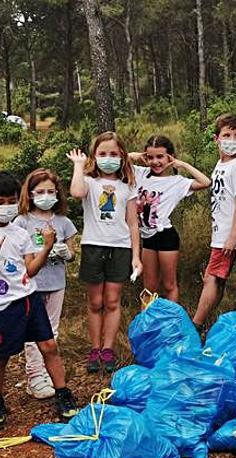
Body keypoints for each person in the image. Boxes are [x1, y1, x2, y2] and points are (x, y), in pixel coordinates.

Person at [0, 172, 79, 429]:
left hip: (29, 299)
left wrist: (47, 248)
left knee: (49, 346)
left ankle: (63, 394)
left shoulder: (19, 233)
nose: (6, 206)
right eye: (0, 201)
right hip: (1, 306)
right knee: (0, 356)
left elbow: (30, 270)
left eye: (11, 200)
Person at [68, 133, 142, 373]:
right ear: (94, 156)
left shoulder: (127, 186)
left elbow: (132, 223)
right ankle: (95, 347)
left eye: (113, 154)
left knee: (112, 301)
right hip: (93, 245)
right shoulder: (89, 182)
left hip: (120, 247)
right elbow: (77, 192)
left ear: (121, 156)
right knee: (95, 301)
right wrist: (79, 166)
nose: (108, 159)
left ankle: (108, 348)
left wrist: (136, 257)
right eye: (102, 154)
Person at [15, 168, 77, 399]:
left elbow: (72, 252)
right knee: (33, 332)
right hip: (31, 284)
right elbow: (16, 253)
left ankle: (47, 371)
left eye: (51, 191)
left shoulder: (64, 222)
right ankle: (34, 375)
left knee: (52, 331)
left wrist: (66, 253)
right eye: (40, 191)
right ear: (30, 194)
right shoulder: (21, 222)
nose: (46, 196)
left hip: (56, 282)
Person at [129, 135, 211, 301]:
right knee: (149, 287)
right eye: (150, 157)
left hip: (165, 236)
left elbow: (205, 182)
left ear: (170, 156)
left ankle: (170, 323)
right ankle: (147, 321)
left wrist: (182, 164)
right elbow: (123, 159)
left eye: (160, 156)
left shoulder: (177, 182)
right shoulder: (141, 173)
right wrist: (137, 156)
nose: (155, 161)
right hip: (147, 237)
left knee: (169, 285)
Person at [192, 113, 236, 329]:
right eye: (227, 135)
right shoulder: (221, 164)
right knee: (217, 279)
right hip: (220, 233)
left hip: (228, 235)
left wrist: (233, 236)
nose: (232, 140)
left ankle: (196, 324)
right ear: (216, 139)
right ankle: (207, 321)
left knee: (211, 278)